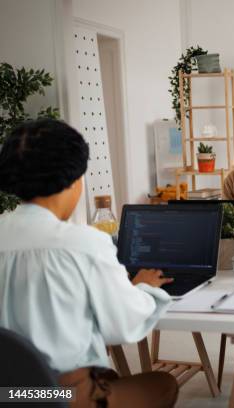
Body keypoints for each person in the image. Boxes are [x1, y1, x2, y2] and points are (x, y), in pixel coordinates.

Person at [0, 119, 178, 408]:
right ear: (74, 180)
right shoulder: (83, 244)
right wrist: (143, 289)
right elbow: (123, 325)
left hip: (8, 395)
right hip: (60, 396)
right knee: (162, 384)